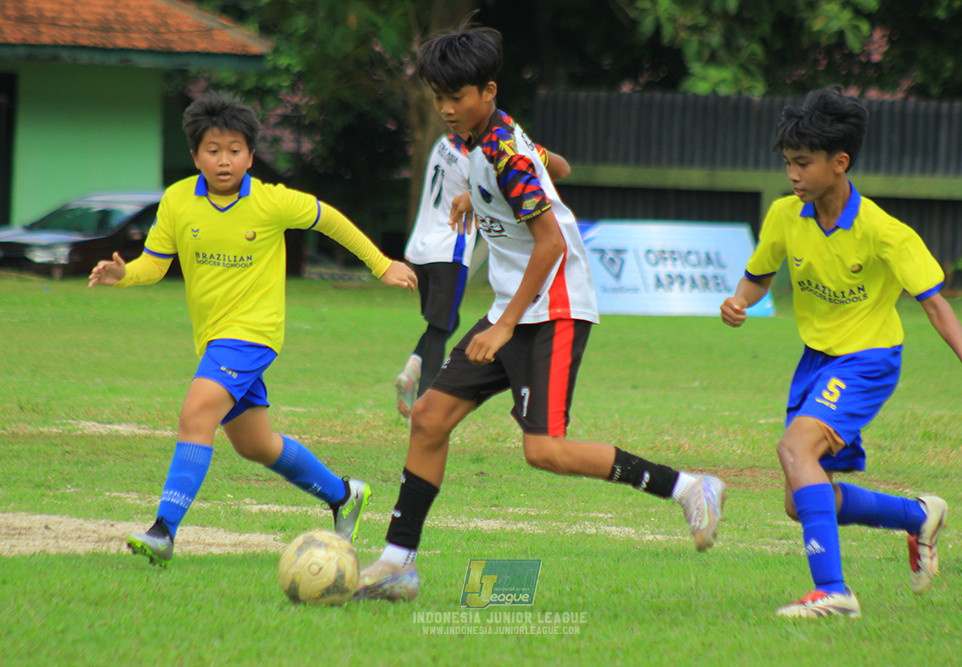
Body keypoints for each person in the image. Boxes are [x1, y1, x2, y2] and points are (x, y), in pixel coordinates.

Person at [353, 25, 726, 602]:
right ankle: (399, 563)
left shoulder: (503, 152)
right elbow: (563, 166)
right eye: (439, 98)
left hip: (552, 307)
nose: (447, 109)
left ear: (489, 90)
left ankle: (689, 487)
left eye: (458, 97)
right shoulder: (490, 139)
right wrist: (475, 196)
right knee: (428, 418)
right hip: (515, 303)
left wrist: (503, 326)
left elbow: (549, 243)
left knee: (544, 451)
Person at [88, 91, 418, 567]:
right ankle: (343, 494)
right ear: (195, 154)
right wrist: (125, 275)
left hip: (253, 335)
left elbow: (331, 221)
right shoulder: (179, 200)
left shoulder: (270, 201)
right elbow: (156, 266)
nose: (225, 161)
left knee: (195, 415)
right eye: (214, 150)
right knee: (255, 444)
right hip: (214, 338)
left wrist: (382, 264)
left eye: (235, 150)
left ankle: (163, 530)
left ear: (250, 152)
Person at [720, 85, 962, 618]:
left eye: (803, 163)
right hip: (816, 362)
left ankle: (833, 591)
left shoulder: (884, 232)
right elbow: (757, 277)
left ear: (839, 162)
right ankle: (917, 516)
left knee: (795, 450)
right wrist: (739, 301)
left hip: (869, 359)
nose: (793, 175)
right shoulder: (784, 215)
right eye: (787, 164)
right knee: (800, 499)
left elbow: (936, 306)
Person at [394, 132, 570, 418]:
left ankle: (414, 363)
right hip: (449, 248)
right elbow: (558, 170)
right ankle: (423, 406)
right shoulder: (485, 155)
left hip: (418, 249)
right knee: (441, 329)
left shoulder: (443, 142)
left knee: (445, 323)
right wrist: (530, 151)